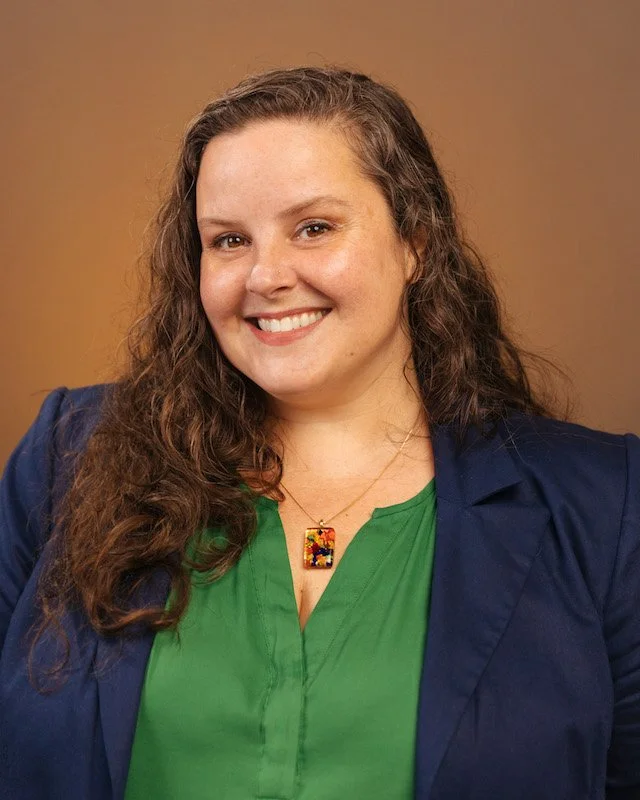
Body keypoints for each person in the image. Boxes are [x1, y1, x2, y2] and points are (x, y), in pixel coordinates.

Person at [0, 66, 638, 800]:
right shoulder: (69, 457)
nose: (265, 275)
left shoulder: (607, 506)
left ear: (416, 244)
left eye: (314, 228)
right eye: (229, 240)